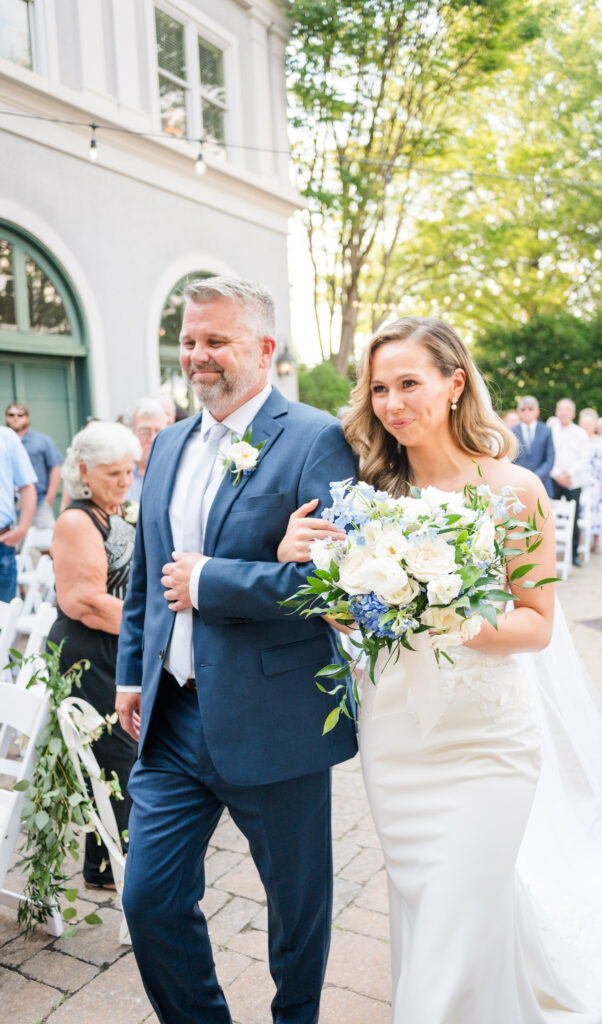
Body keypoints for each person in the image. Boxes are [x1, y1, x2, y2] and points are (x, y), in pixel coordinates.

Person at [280, 316, 602, 1024]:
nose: (391, 403)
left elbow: (535, 622)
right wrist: (312, 568)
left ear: (454, 382)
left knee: (456, 902)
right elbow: (345, 615)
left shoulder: (514, 489)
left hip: (485, 740)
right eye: (378, 388)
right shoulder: (368, 492)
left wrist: (442, 614)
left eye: (409, 383)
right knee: (432, 903)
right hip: (396, 734)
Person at [114, 275, 357, 1024]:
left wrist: (216, 581)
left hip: (274, 715)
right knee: (148, 898)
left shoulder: (315, 437)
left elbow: (339, 587)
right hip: (173, 717)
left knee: (295, 910)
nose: (197, 356)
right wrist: (130, 674)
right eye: (188, 341)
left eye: (215, 340)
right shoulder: (170, 445)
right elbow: (147, 580)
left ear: (263, 348)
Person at [47, 421, 141, 889]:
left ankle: (104, 867)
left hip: (112, 643)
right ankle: (124, 866)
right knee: (115, 755)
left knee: (115, 756)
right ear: (84, 471)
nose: (124, 481)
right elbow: (83, 601)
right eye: (112, 474)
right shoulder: (75, 520)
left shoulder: (115, 512)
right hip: (85, 651)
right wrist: (153, 628)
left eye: (128, 471)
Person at [5, 402, 62, 528]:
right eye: (11, 414)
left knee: (46, 543)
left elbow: (56, 468)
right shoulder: (3, 441)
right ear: (6, 418)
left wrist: (49, 499)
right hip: (9, 504)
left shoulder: (42, 440)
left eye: (20, 415)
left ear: (27, 418)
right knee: (14, 544)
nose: (15, 418)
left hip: (39, 502)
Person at [549, 398, 591, 567]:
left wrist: (569, 474)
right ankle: (549, 556)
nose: (564, 412)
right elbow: (549, 455)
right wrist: (558, 474)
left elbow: (584, 458)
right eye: (560, 408)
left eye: (567, 409)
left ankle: (573, 555)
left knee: (574, 518)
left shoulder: (580, 433)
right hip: (554, 479)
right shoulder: (550, 431)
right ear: (556, 411)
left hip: (574, 481)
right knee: (549, 518)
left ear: (573, 413)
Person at [0, 425, 37, 602]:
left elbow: (27, 485)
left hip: (2, 543)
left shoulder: (6, 438)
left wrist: (22, 530)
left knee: (3, 620)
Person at [578, 408, 602, 553]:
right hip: (582, 481)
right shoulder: (578, 440)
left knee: (599, 510)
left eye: (589, 425)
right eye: (584, 425)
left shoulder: (601, 441)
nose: (587, 428)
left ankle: (597, 541)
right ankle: (580, 541)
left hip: (598, 482)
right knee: (581, 510)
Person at [122, 397, 168, 502]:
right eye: (144, 431)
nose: (152, 439)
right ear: (129, 432)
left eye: (159, 431)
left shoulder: (172, 471)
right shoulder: (118, 473)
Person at [511, 395, 555, 496]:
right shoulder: (512, 431)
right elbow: (510, 459)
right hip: (518, 484)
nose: (526, 412)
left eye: (530, 409)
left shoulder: (546, 431)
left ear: (537, 412)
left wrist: (535, 477)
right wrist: (523, 477)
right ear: (519, 412)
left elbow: (550, 459)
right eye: (523, 409)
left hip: (542, 484)